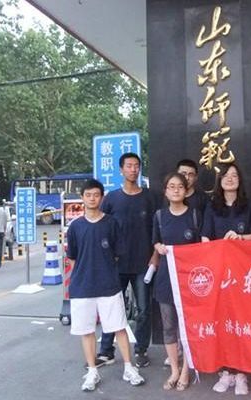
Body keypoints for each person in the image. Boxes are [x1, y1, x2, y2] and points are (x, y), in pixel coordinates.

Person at [65, 179, 145, 391]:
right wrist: (85, 272)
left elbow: (117, 254)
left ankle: (129, 367)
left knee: (119, 326)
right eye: (88, 195)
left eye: (96, 195)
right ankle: (92, 371)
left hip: (109, 285)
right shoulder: (75, 227)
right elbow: (72, 258)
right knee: (87, 330)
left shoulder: (111, 223)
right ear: (82, 198)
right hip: (82, 287)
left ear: (102, 197)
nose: (92, 198)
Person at [95, 153, 157, 369]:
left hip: (143, 264)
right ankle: (106, 351)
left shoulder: (149, 197)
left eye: (136, 166)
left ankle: (141, 350)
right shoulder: (111, 199)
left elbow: (157, 229)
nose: (133, 169)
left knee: (143, 310)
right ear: (121, 170)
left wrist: (155, 256)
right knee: (112, 308)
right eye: (129, 166)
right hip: (117, 264)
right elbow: (102, 227)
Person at [201, 163, 251, 395]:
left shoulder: (248, 206)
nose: (230, 179)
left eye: (234, 175)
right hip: (220, 274)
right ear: (220, 181)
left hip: (244, 275)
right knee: (223, 323)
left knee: (241, 322)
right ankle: (225, 372)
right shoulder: (212, 206)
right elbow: (205, 237)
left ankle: (242, 373)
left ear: (240, 180)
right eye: (226, 175)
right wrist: (216, 249)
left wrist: (240, 238)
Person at [153, 172, 202, 391]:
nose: (176, 190)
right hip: (166, 278)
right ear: (165, 191)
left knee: (187, 327)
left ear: (186, 190)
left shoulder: (195, 215)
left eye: (180, 187)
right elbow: (155, 242)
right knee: (169, 326)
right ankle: (174, 369)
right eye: (171, 187)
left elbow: (202, 247)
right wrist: (159, 247)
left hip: (189, 281)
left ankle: (186, 370)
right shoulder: (159, 216)